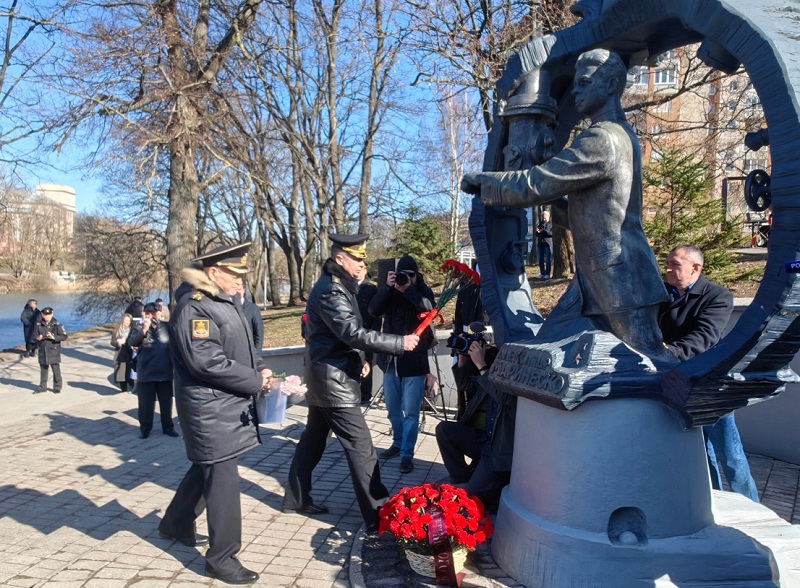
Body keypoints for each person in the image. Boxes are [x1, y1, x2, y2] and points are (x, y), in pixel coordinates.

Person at [461, 49, 670, 360]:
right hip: (594, 280)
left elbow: (537, 183)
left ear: (611, 85)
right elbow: (586, 214)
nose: (575, 91)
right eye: (575, 83)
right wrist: (549, 196)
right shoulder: (618, 135)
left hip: (621, 280)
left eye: (584, 82)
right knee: (539, 353)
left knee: (649, 365)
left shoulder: (604, 139)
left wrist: (486, 183)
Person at [283, 234, 419, 532]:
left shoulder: (338, 286)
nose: (361, 264)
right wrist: (399, 342)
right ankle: (379, 514)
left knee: (313, 440)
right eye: (357, 259)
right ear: (340, 258)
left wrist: (361, 360)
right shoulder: (332, 290)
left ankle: (296, 498)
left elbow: (342, 334)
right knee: (362, 448)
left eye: (362, 259)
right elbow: (352, 333)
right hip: (333, 383)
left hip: (327, 377)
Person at [158, 242, 273, 585]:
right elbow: (207, 362)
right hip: (208, 408)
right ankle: (221, 559)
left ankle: (175, 523)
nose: (240, 280)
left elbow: (243, 346)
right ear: (212, 273)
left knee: (206, 466)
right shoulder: (195, 307)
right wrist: (255, 381)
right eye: (234, 274)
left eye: (242, 274)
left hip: (222, 404)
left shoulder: (222, 301)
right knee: (223, 480)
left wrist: (260, 369)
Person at [659, 244, 759, 502]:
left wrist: (666, 352)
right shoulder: (663, 296)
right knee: (701, 455)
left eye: (675, 264)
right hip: (678, 386)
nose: (667, 269)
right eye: (667, 263)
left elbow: (705, 338)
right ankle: (714, 503)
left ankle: (751, 507)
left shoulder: (717, 296)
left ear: (696, 268)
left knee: (731, 455)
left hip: (710, 388)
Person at [368, 254, 436, 474]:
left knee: (411, 412)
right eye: (402, 275)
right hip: (390, 360)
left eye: (410, 275)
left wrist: (409, 289)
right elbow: (373, 310)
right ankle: (397, 443)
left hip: (415, 362)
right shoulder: (391, 291)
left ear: (417, 275)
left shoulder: (422, 291)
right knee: (392, 409)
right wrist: (387, 288)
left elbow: (429, 309)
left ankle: (407, 453)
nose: (405, 278)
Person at [436, 338, 499, 483]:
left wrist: (481, 365)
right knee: (444, 430)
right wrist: (462, 357)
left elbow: (497, 394)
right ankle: (460, 478)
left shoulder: (507, 380)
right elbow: (465, 385)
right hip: (479, 437)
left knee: (477, 490)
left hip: (494, 445)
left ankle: (472, 478)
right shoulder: (483, 378)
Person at [127, 302, 177, 439]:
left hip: (164, 372)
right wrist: (144, 330)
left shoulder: (167, 327)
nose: (150, 316)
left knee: (166, 403)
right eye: (147, 313)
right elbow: (132, 342)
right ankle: (145, 428)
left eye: (153, 313)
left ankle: (168, 427)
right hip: (146, 372)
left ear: (159, 314)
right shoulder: (138, 327)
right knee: (146, 404)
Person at [451, 281, 488, 419]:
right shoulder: (466, 286)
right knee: (467, 387)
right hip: (468, 346)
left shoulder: (491, 285)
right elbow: (458, 318)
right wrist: (461, 346)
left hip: (487, 348)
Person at [356, 271, 381, 404]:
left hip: (366, 332)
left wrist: (373, 333)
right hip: (350, 331)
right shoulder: (345, 286)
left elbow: (376, 313)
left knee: (366, 362)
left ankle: (365, 395)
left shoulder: (371, 289)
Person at [32, 307, 68, 394]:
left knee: (56, 369)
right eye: (45, 315)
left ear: (52, 314)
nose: (47, 316)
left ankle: (57, 387)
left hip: (53, 350)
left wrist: (54, 337)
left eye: (49, 314)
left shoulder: (57, 324)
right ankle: (42, 386)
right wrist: (38, 338)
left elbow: (64, 336)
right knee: (43, 370)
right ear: (42, 315)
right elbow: (34, 336)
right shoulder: (38, 324)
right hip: (43, 350)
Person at [236, 283, 264, 351]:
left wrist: (256, 354)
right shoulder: (226, 308)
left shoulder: (253, 309)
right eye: (235, 290)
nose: (237, 292)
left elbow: (258, 333)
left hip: (249, 351)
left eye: (239, 289)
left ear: (243, 290)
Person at [111, 313, 134, 392]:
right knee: (120, 373)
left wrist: (125, 342)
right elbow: (112, 341)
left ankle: (132, 386)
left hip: (129, 352)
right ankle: (123, 389)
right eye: (126, 320)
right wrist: (117, 343)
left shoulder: (132, 330)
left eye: (129, 321)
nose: (127, 322)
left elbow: (134, 341)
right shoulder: (117, 329)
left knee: (129, 371)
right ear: (122, 319)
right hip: (119, 353)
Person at [536, 209, 553, 279]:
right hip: (540, 244)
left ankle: (547, 274)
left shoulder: (551, 224)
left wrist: (543, 231)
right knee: (540, 259)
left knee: (548, 259)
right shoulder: (540, 223)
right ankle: (542, 273)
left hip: (547, 244)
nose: (544, 219)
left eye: (545, 218)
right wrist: (537, 232)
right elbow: (537, 234)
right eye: (543, 218)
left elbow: (551, 234)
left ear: (548, 217)